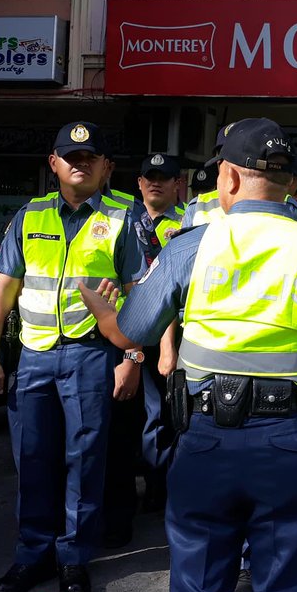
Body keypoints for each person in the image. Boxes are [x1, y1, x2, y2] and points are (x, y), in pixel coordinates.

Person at [78, 118, 297, 592]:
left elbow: (132, 331)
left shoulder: (193, 245)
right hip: (291, 447)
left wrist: (100, 305)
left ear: (231, 178)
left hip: (207, 443)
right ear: (288, 181)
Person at [0, 122, 147, 592]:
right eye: (70, 156)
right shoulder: (29, 216)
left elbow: (139, 296)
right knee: (32, 459)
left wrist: (132, 356)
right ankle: (32, 555)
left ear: (105, 168)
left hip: (91, 354)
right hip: (33, 357)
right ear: (53, 163)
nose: (80, 163)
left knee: (85, 461)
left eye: (90, 157)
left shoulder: (123, 218)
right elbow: (3, 290)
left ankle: (73, 558)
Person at [104, 153, 188, 539]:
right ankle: (123, 506)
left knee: (163, 421)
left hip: (166, 341)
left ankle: (161, 492)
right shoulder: (123, 221)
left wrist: (168, 348)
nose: (156, 184)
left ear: (177, 185)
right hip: (122, 338)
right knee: (122, 423)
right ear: (139, 183)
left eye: (165, 178)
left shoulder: (187, 225)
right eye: (149, 178)